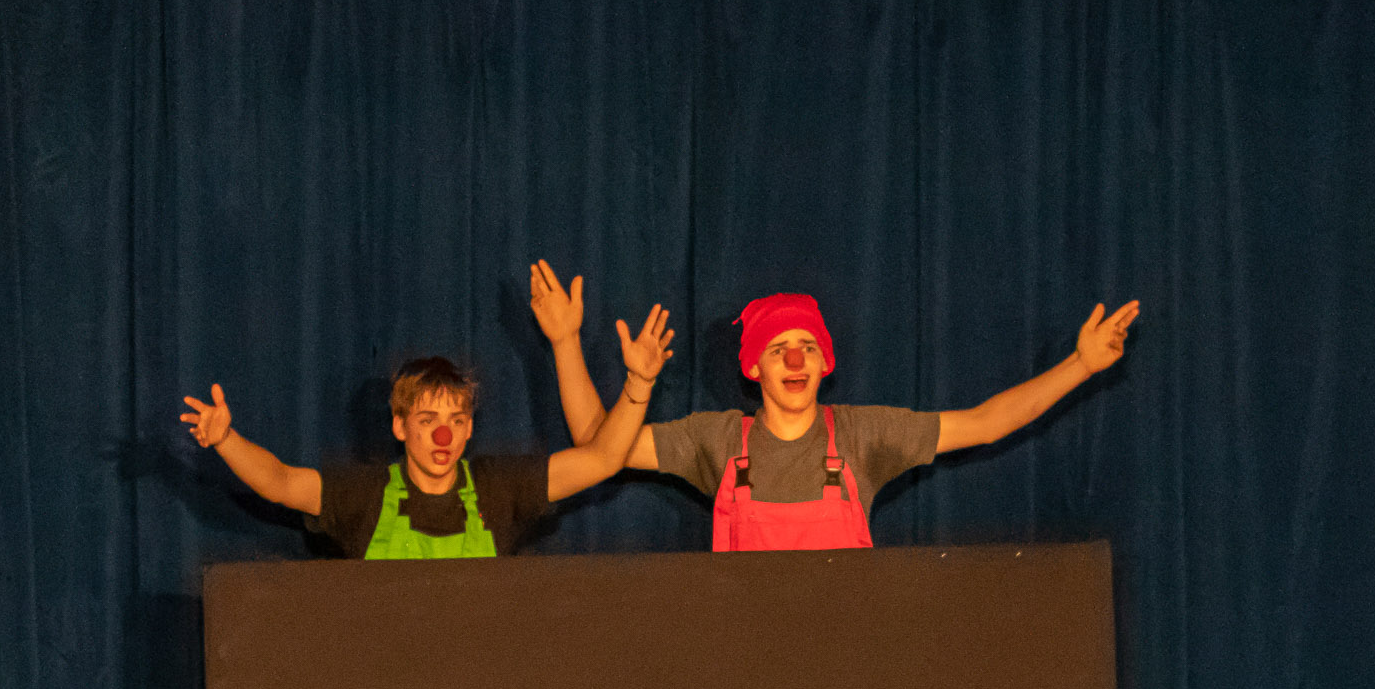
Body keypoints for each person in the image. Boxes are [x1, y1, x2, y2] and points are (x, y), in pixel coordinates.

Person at [528, 261, 1136, 551]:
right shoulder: (716, 440)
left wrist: (1080, 365)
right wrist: (566, 343)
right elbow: (596, 448)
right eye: (778, 349)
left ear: (825, 363)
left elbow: (985, 423)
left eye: (808, 348)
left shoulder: (863, 435)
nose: (795, 360)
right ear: (752, 367)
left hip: (845, 665)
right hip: (742, 663)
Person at [179, 302, 674, 558]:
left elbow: (604, 459)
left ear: (469, 428)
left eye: (456, 421)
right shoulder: (364, 495)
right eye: (427, 420)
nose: (444, 436)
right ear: (399, 426)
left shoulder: (500, 489)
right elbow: (280, 482)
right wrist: (226, 440)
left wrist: (639, 382)